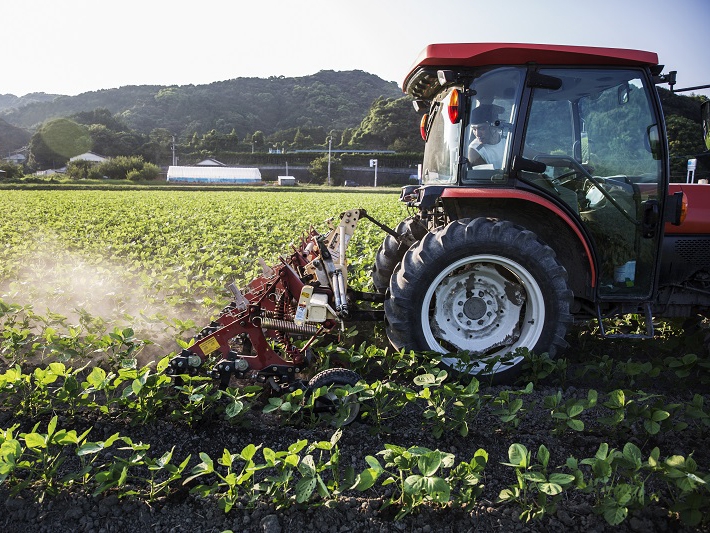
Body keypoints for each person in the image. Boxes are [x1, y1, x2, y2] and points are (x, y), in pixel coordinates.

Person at [467, 104, 506, 169]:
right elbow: (491, 178)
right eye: (474, 129)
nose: (477, 134)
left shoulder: (508, 138)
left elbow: (528, 154)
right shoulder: (475, 151)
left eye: (482, 128)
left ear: (494, 126)